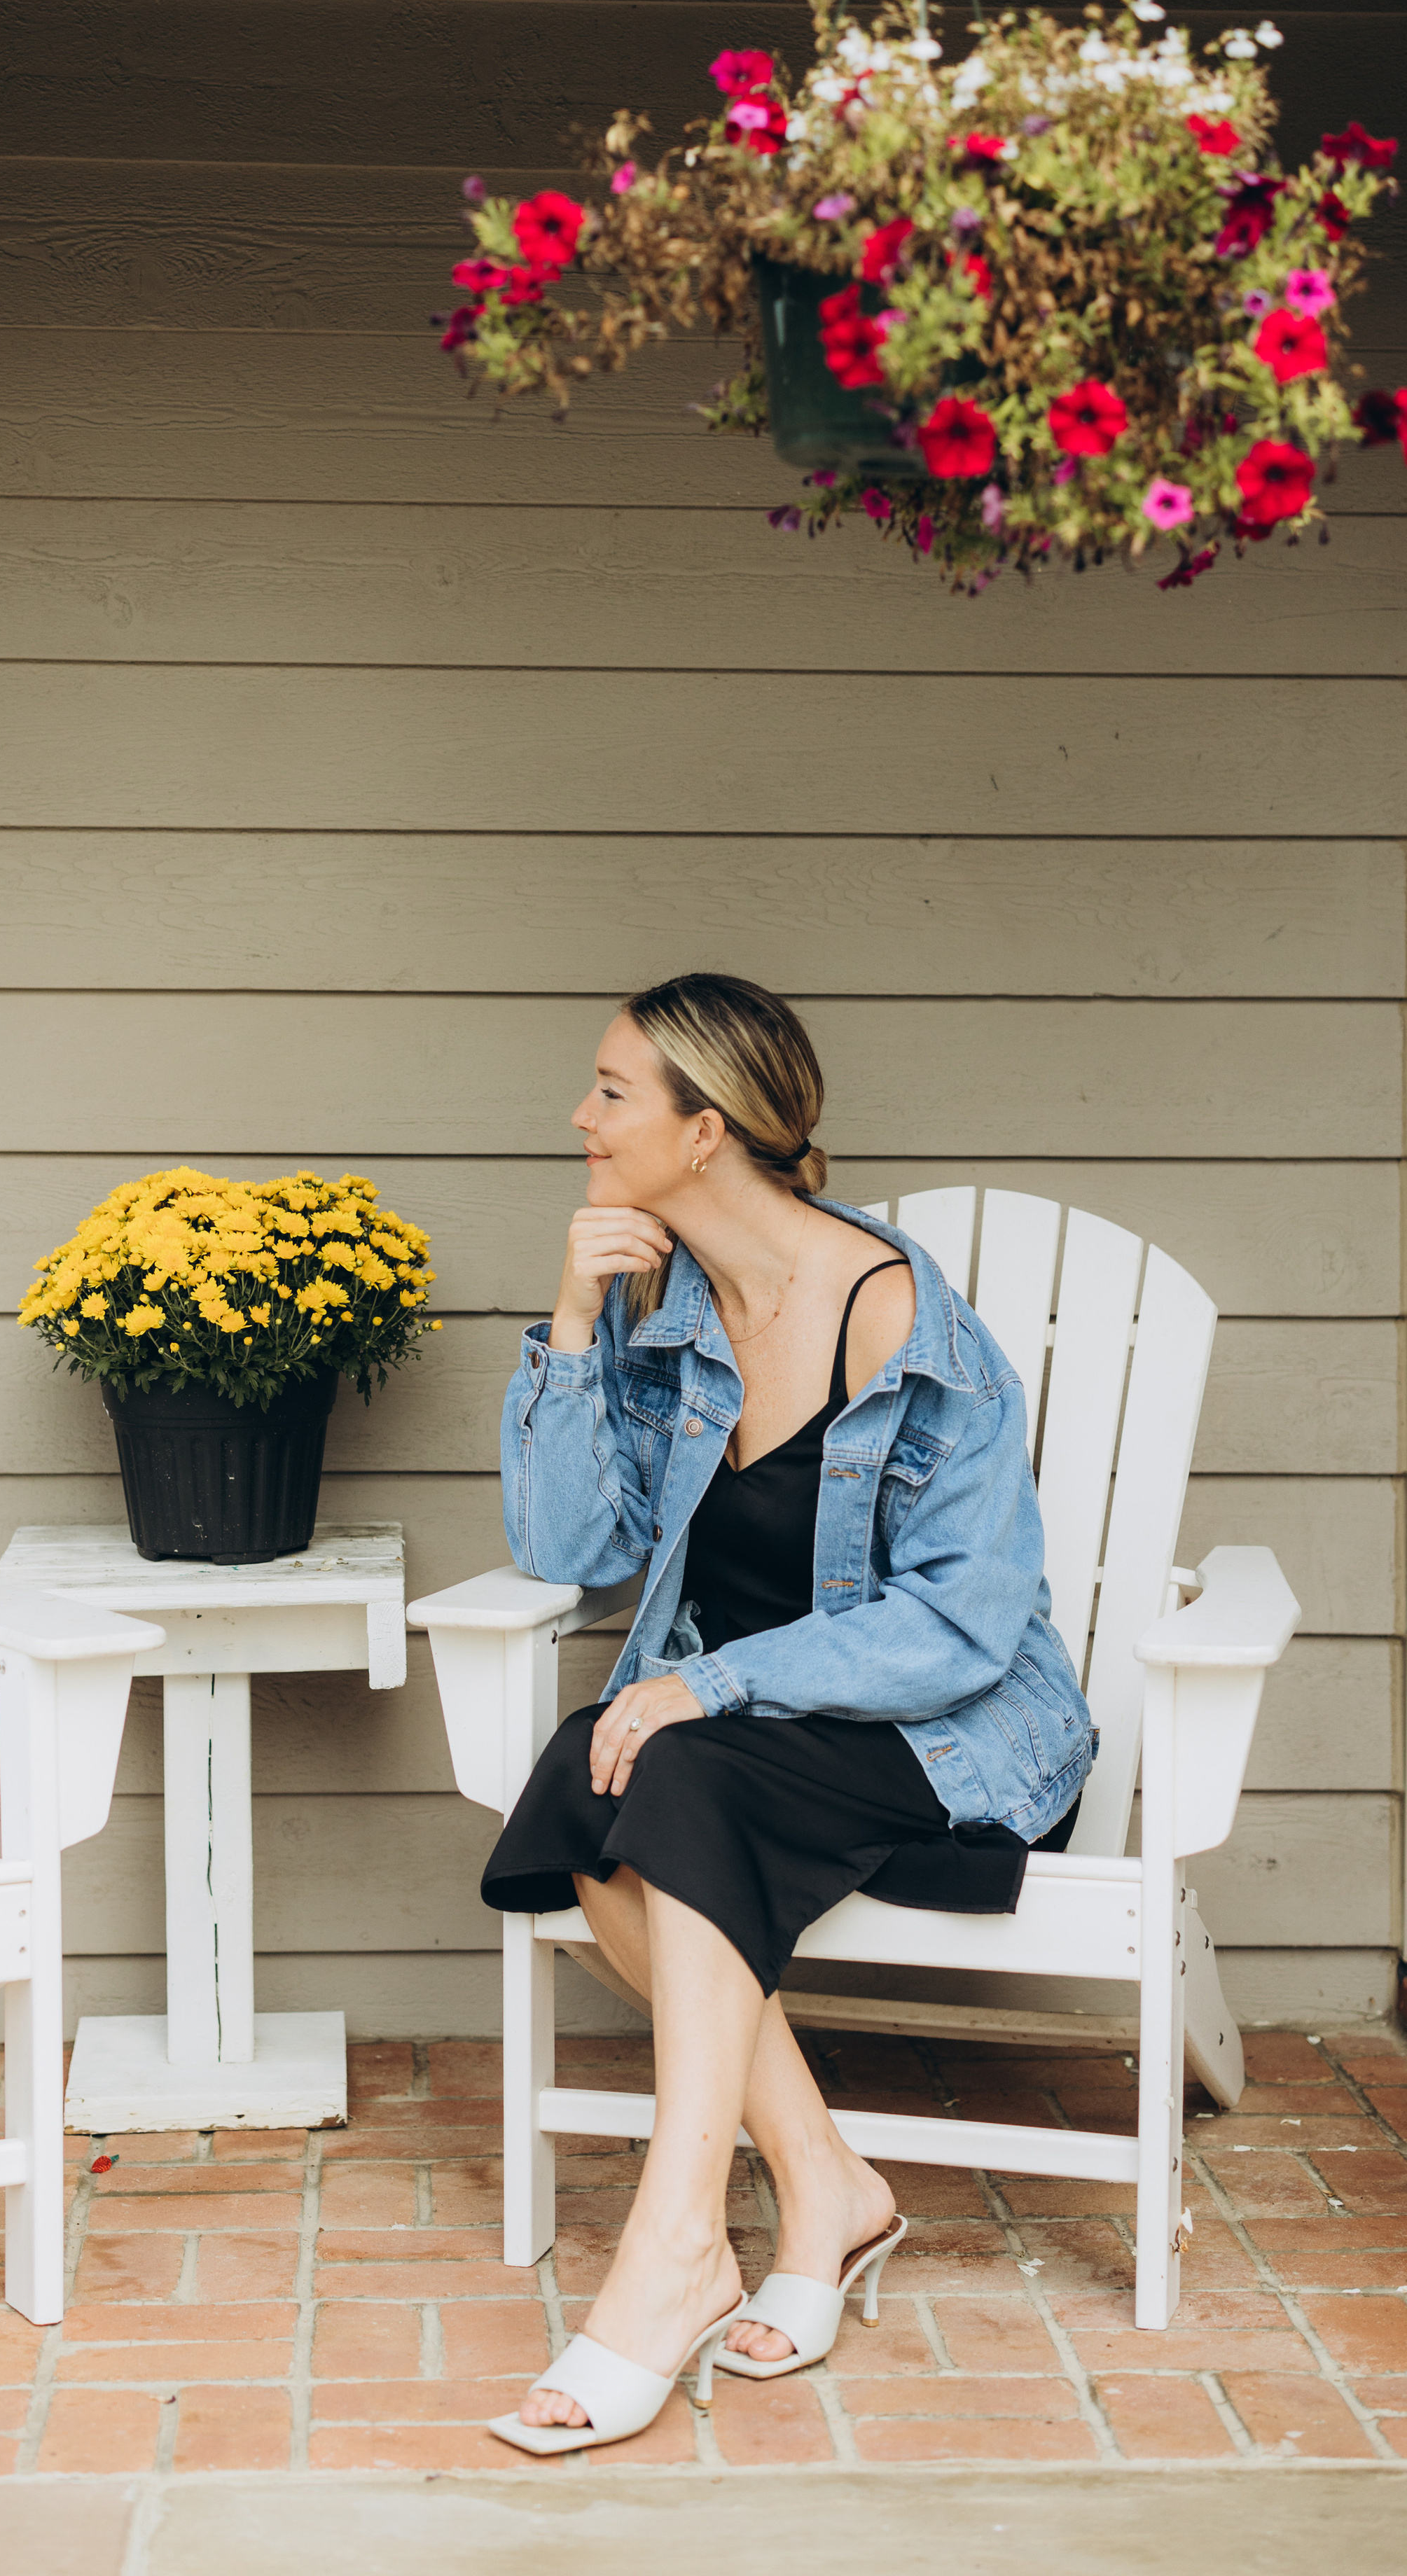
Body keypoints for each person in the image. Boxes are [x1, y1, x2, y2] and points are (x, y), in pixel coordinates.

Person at [482, 971, 1094, 2455]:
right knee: (597, 1779)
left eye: (611, 1091)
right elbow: (566, 1549)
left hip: (945, 1743)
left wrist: (713, 1682)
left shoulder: (908, 1327)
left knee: (661, 1775)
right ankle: (823, 2185)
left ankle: (675, 2248)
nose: (579, 1116)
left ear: (704, 1130)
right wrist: (572, 1320)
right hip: (744, 1747)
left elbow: (963, 1627)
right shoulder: (665, 1308)